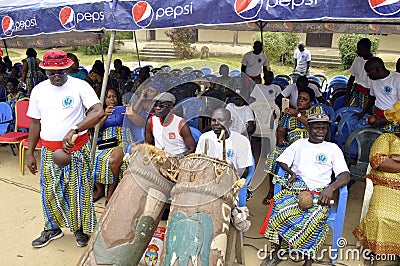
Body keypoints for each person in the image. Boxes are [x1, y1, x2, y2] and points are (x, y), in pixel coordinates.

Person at [26, 49, 104, 248]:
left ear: (68, 68)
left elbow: (98, 111)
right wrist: (29, 153)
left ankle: (79, 229)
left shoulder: (80, 86)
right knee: (50, 191)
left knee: (78, 190)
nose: (57, 77)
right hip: (49, 150)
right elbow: (35, 123)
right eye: (52, 73)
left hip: (77, 149)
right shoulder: (39, 91)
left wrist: (76, 128)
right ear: (45, 71)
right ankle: (52, 228)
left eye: (61, 72)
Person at [260, 114, 350, 266]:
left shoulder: (332, 149)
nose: (321, 131)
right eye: (316, 127)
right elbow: (282, 160)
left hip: (320, 193)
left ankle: (308, 260)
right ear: (308, 128)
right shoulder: (299, 144)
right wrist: (292, 172)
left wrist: (331, 188)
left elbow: (345, 175)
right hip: (296, 189)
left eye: (324, 127)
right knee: (279, 211)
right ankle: (277, 252)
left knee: (314, 219)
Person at [353, 102, 400, 265]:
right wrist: (390, 162)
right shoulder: (387, 138)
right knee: (380, 215)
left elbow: (390, 162)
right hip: (386, 186)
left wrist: (395, 161)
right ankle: (373, 249)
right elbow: (379, 162)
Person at [263, 87, 324, 205]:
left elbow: (316, 126)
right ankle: (272, 191)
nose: (300, 101)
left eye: (304, 99)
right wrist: (281, 138)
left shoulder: (316, 110)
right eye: (299, 98)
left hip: (311, 145)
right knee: (273, 156)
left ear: (311, 102)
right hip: (291, 146)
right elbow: (281, 129)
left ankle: (302, 192)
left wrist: (298, 114)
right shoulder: (289, 113)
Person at [92, 87, 133, 205]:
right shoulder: (100, 112)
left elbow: (138, 122)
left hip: (122, 140)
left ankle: (111, 191)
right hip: (106, 140)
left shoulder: (124, 109)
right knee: (92, 157)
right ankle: (99, 190)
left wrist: (130, 113)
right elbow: (96, 129)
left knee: (113, 160)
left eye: (114, 96)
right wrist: (104, 115)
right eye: (109, 97)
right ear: (104, 99)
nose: (112, 99)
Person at [195, 108, 253, 178]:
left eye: (221, 120)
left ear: (230, 122)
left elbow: (244, 170)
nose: (216, 123)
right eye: (213, 120)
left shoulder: (242, 141)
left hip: (231, 179)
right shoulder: (204, 137)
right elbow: (198, 162)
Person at [355, 57, 400, 133]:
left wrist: (385, 120)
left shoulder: (397, 79)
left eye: (369, 73)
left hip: (394, 118)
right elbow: (372, 98)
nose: (368, 76)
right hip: (377, 115)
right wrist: (363, 112)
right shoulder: (374, 79)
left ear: (378, 69)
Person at [145, 92, 196, 156]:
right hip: (160, 159)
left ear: (170, 108)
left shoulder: (180, 124)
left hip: (178, 159)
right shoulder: (151, 121)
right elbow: (148, 145)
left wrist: (177, 158)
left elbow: (192, 148)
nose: (157, 108)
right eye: (155, 105)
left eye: (161, 106)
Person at [343, 38, 373, 108]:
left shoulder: (374, 63)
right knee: (351, 110)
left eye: (360, 49)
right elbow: (352, 78)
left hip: (368, 94)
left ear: (367, 49)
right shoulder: (357, 60)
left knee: (364, 114)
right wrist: (347, 95)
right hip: (356, 91)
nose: (357, 51)